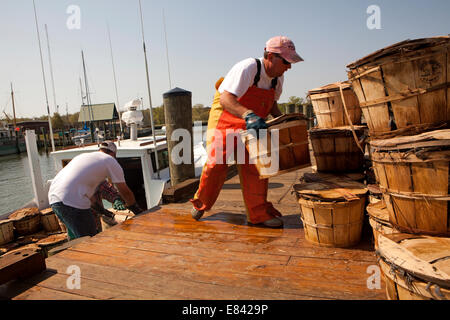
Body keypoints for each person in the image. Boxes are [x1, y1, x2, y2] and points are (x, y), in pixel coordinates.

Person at [190, 36, 303, 228]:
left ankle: (258, 214)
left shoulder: (278, 78)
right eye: (285, 61)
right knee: (217, 162)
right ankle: (201, 203)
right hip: (227, 112)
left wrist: (282, 121)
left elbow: (272, 104)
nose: (288, 66)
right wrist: (248, 115)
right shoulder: (249, 68)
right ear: (269, 56)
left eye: (290, 62)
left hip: (254, 120)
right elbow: (226, 99)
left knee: (258, 166)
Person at [48, 141, 143, 240]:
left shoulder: (83, 157)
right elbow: (125, 191)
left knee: (76, 241)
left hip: (55, 200)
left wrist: (103, 211)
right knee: (89, 241)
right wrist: (136, 210)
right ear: (114, 154)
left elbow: (90, 197)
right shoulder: (110, 160)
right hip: (72, 203)